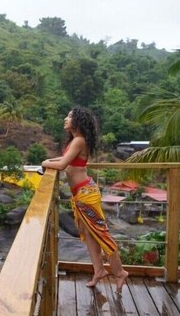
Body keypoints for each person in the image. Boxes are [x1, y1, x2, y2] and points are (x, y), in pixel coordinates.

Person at [40, 106, 128, 293]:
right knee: (88, 234)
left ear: (77, 121)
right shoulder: (76, 141)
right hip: (81, 194)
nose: (65, 119)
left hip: (86, 195)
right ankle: (99, 270)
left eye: (69, 116)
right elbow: (64, 158)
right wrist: (51, 160)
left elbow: (63, 165)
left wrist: (44, 163)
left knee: (101, 234)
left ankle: (120, 273)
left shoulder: (79, 140)